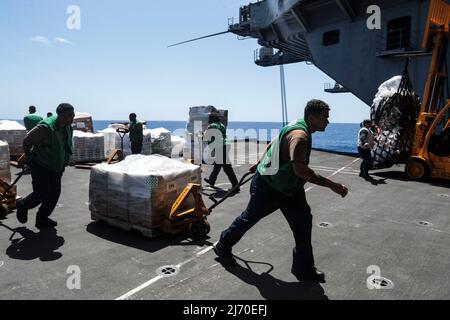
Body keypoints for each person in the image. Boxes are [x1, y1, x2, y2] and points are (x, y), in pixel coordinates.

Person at [213, 100, 349, 283]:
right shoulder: (300, 137)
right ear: (311, 117)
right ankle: (223, 245)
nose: (327, 122)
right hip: (268, 187)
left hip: (290, 189)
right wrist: (333, 186)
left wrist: (261, 161)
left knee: (303, 224)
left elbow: (273, 143)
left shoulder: (295, 124)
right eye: (324, 118)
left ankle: (303, 268)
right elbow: (301, 170)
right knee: (249, 218)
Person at [16, 103, 75, 228]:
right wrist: (28, 157)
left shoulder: (68, 126)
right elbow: (27, 141)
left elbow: (65, 145)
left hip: (56, 165)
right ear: (61, 115)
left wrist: (64, 161)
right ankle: (23, 205)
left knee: (54, 193)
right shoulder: (45, 128)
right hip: (40, 163)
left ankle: (42, 218)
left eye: (73, 115)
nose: (72, 118)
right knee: (42, 192)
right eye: (69, 115)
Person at [203, 114, 240, 193]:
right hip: (225, 145)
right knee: (217, 164)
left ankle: (236, 186)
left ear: (211, 119)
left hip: (220, 147)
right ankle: (211, 180)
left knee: (227, 168)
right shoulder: (221, 125)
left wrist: (201, 135)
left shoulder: (212, 125)